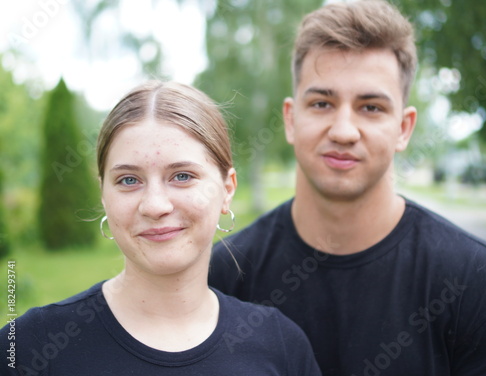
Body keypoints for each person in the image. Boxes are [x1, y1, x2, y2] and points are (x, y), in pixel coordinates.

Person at [209, 1, 486, 375]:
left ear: (404, 128)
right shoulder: (223, 277)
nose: (344, 131)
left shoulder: (479, 281)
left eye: (371, 107)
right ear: (291, 119)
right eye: (321, 103)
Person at [0, 81, 321, 375]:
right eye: (128, 180)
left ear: (228, 189)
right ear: (103, 194)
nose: (155, 205)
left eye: (182, 176)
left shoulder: (280, 346)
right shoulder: (28, 347)